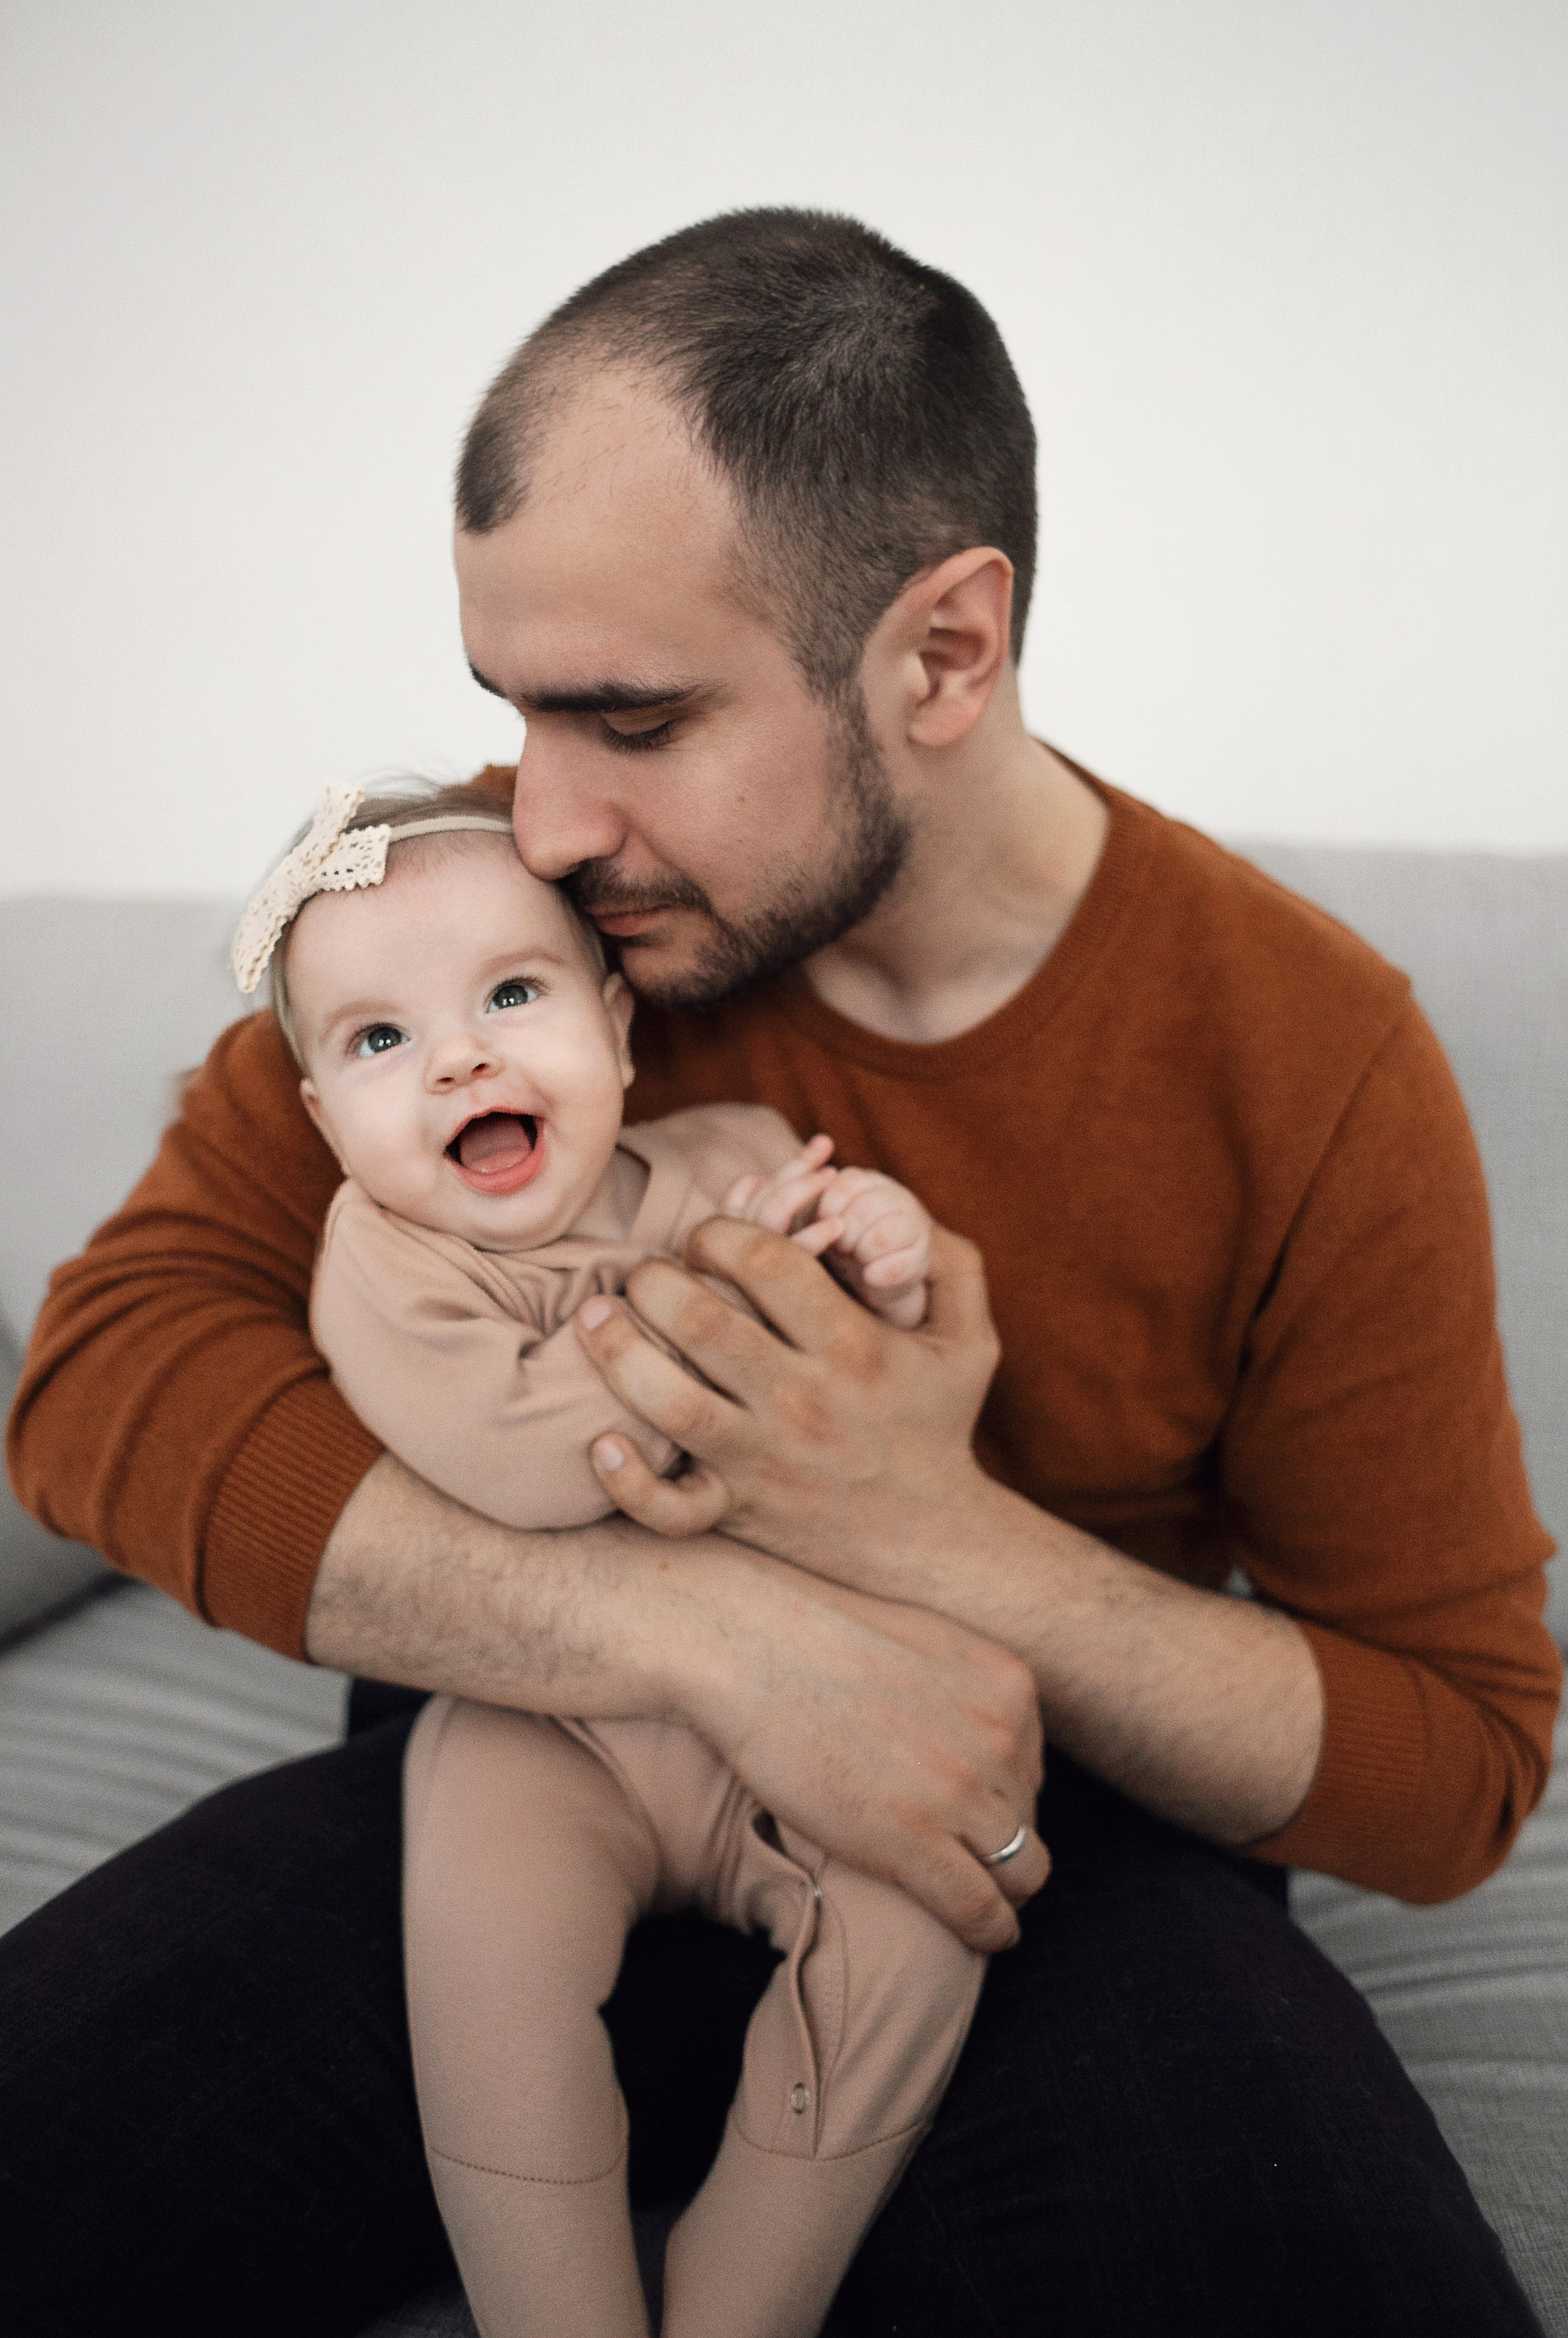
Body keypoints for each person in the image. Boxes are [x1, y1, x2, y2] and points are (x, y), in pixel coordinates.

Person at [4, 208, 1559, 2337]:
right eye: (512, 710)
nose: (538, 815)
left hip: (1025, 1862)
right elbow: (105, 1376)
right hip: (512, 1776)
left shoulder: (1304, 1056)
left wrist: (933, 1543)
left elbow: (1449, 1763)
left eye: (629, 718)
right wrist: (718, 1634)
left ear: (940, 654)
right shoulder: (490, 944)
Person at [242, 775, 1003, 2338]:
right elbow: (534, 1462)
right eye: (378, 1042)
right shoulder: (391, 1259)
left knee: (921, 1925)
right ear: (326, 1115)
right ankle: (557, 2310)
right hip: (547, 1730)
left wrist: (879, 1263)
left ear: (616, 1027)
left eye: (510, 995)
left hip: (810, 1719)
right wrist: (733, 1302)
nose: (457, 1056)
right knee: (487, 1986)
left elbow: (874, 1420)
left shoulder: (729, 1159)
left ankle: (750, 2291)